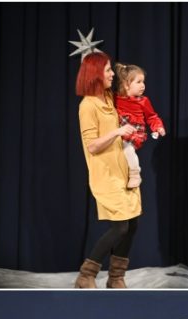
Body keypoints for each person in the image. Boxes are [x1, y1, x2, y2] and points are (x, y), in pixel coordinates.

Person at [73, 51, 142, 289]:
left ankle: (116, 278)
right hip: (106, 175)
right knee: (120, 226)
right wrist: (117, 132)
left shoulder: (109, 98)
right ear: (95, 74)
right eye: (108, 70)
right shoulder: (88, 106)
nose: (112, 74)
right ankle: (86, 275)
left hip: (124, 172)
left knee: (132, 225)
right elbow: (92, 146)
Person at [114, 63, 165, 189]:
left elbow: (152, 116)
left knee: (127, 148)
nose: (143, 85)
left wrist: (158, 127)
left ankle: (135, 175)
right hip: (119, 130)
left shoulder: (143, 101)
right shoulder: (116, 98)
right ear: (126, 85)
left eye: (143, 82)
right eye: (139, 82)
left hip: (135, 131)